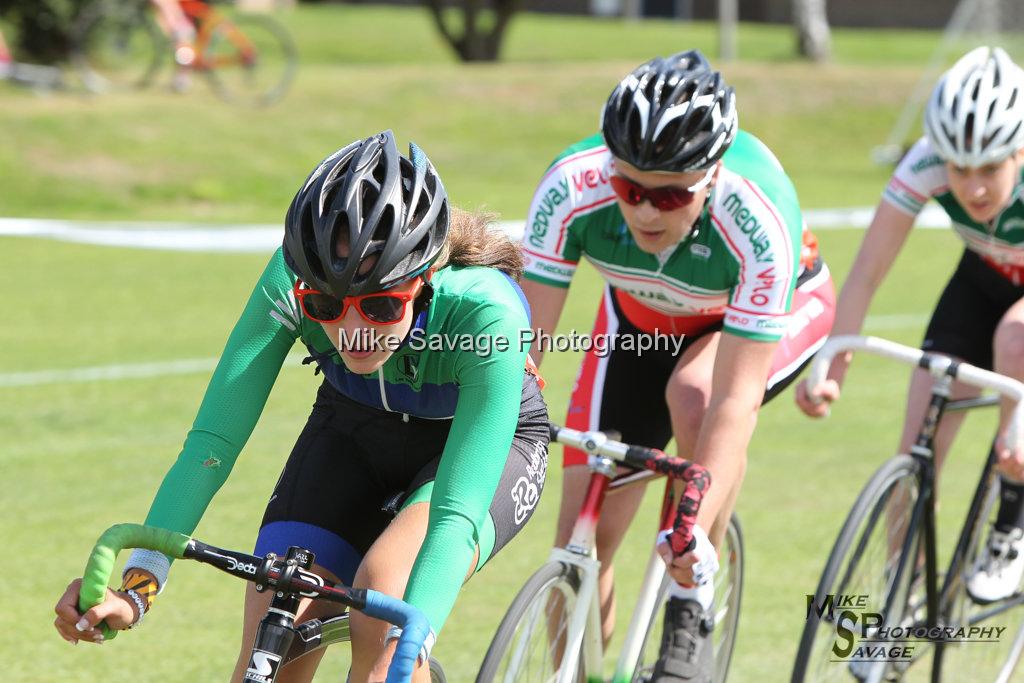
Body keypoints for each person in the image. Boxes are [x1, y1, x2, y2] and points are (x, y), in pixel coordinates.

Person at [53, 130, 551, 682]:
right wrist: (139, 588)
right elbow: (211, 446)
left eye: (382, 305)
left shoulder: (487, 312)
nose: (353, 331)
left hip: (476, 448)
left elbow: (455, 514)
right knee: (277, 615)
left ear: (427, 278)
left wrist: (416, 634)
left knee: (385, 605)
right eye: (325, 305)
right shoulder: (287, 280)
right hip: (353, 428)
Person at [520, 50, 835, 682]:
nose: (643, 211)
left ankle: (691, 604)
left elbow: (733, 399)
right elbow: (526, 348)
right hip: (639, 323)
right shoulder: (571, 186)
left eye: (670, 196)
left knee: (694, 395)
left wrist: (690, 521)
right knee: (582, 543)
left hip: (754, 321)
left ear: (712, 177)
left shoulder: (756, 220)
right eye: (629, 188)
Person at [797, 46, 1024, 603]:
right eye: (959, 169)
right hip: (981, 280)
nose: (972, 189)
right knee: (917, 440)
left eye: (990, 169)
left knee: (1014, 357)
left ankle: (1010, 524)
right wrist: (834, 364)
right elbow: (866, 275)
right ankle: (903, 591)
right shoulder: (923, 162)